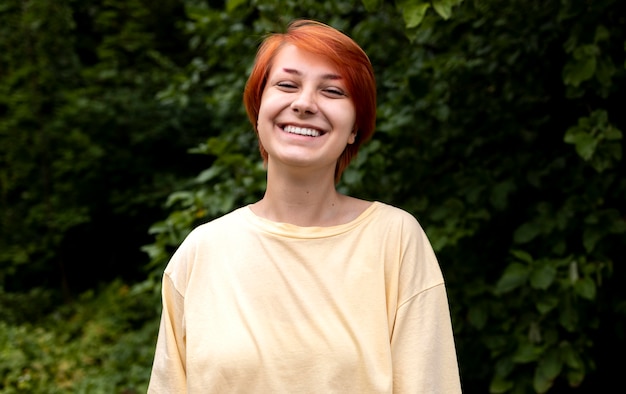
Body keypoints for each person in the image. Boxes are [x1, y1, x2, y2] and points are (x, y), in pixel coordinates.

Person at [147, 19, 462, 393]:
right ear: (258, 109)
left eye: (332, 91)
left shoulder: (395, 240)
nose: (304, 104)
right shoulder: (201, 253)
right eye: (286, 85)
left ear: (355, 128)